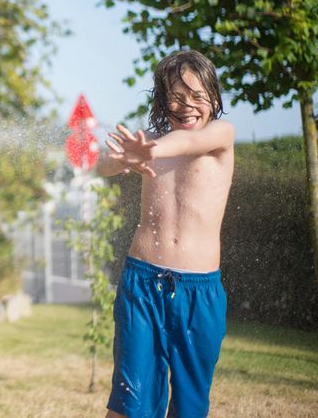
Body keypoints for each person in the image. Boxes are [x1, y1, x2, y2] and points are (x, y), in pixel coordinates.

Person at [96, 50, 235, 418]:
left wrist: (148, 150)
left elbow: (187, 143)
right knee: (129, 401)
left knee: (189, 407)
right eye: (175, 95)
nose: (186, 105)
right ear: (161, 99)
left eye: (197, 96)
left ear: (214, 99)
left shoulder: (220, 134)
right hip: (142, 283)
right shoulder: (150, 142)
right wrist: (124, 158)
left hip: (198, 291)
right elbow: (104, 166)